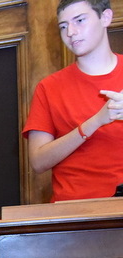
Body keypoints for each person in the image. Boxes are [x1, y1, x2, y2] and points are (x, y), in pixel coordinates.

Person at [24, 0, 123, 201]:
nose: (70, 32)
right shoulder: (49, 87)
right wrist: (95, 122)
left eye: (79, 20)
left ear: (105, 17)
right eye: (63, 26)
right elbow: (38, 162)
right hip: (73, 210)